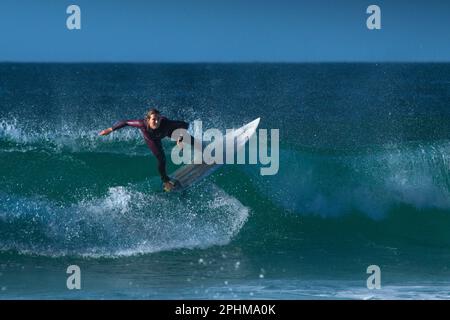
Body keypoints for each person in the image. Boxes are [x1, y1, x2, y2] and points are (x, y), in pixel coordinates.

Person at [99, 108, 194, 191]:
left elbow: (185, 125)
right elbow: (126, 122)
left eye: (158, 119)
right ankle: (166, 181)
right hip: (152, 139)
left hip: (165, 132)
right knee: (162, 159)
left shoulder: (166, 123)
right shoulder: (142, 124)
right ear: (148, 120)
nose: (157, 122)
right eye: (154, 119)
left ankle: (201, 147)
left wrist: (180, 138)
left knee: (186, 137)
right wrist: (110, 129)